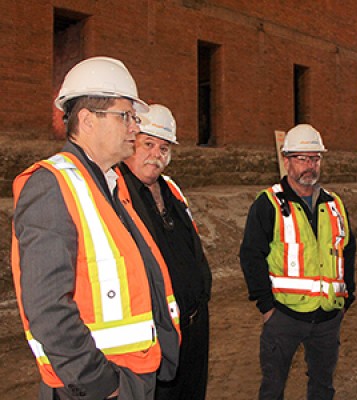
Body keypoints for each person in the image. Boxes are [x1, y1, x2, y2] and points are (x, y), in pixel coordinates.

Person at [11, 57, 180, 400]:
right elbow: (47, 308)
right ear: (87, 120)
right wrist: (99, 383)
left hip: (132, 373)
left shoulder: (108, 184)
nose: (135, 128)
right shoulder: (53, 185)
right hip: (99, 385)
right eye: (127, 117)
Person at [239, 124, 356, 400]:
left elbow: (347, 250)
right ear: (287, 160)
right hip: (284, 316)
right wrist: (266, 306)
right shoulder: (268, 203)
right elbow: (251, 255)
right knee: (273, 388)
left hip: (327, 318)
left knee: (323, 388)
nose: (310, 166)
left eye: (315, 159)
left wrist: (346, 297)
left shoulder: (335, 204)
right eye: (302, 158)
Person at [117, 104, 212, 400]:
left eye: (164, 148)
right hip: (156, 334)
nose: (156, 155)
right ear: (131, 141)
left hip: (194, 327)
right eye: (148, 144)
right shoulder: (115, 192)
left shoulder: (171, 189)